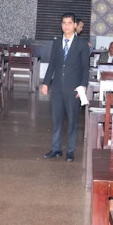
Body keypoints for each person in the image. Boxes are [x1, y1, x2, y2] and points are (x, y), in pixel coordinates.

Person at [41, 13, 91, 162]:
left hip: (73, 88)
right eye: (64, 23)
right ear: (61, 25)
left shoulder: (81, 44)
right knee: (56, 120)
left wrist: (83, 86)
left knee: (72, 121)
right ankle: (56, 149)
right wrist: (46, 82)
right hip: (57, 88)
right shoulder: (57, 43)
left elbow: (85, 68)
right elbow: (52, 64)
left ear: (75, 25)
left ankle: (70, 150)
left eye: (70, 23)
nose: (67, 26)